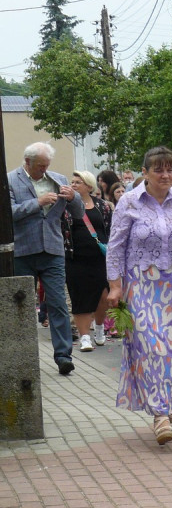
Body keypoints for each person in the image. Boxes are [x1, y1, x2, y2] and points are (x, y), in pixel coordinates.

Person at [105, 146, 172, 445]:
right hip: (140, 284)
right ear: (145, 173)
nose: (165, 175)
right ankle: (160, 414)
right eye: (158, 170)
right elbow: (115, 248)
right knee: (152, 346)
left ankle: (170, 407)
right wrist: (115, 285)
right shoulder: (129, 202)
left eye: (169, 169)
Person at [9, 141, 82, 375]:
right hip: (23, 251)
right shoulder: (10, 180)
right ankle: (22, 356)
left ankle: (63, 357)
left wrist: (73, 197)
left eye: (46, 165)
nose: (44, 170)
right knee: (20, 304)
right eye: (40, 166)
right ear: (27, 162)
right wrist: (36, 203)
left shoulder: (58, 179)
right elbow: (8, 214)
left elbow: (79, 213)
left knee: (58, 303)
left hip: (52, 251)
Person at [63, 171, 113, 352]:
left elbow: (110, 228)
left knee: (104, 297)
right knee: (80, 297)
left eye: (79, 182)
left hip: (100, 259)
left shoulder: (103, 206)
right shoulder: (65, 206)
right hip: (75, 259)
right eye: (72, 181)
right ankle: (85, 337)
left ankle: (99, 329)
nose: (74, 185)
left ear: (89, 186)